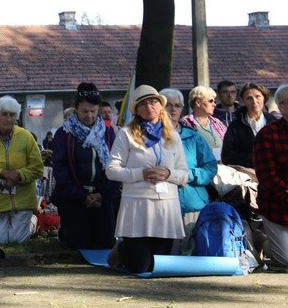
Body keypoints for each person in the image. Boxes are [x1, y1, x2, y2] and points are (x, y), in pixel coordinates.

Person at [105, 85, 188, 273]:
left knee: (158, 266)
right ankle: (123, 248)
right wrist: (139, 173)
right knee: (139, 267)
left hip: (166, 205)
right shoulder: (126, 134)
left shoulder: (173, 136)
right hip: (137, 205)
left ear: (160, 106)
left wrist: (168, 174)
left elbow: (184, 173)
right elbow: (111, 170)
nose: (149, 107)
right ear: (137, 111)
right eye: (143, 104)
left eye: (153, 102)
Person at [50, 83, 120, 250]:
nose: (89, 116)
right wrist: (82, 196)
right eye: (85, 111)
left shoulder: (108, 133)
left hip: (102, 196)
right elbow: (60, 168)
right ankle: (66, 231)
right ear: (75, 108)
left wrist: (102, 194)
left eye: (93, 111)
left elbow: (115, 164)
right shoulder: (64, 134)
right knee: (79, 245)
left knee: (105, 243)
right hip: (74, 196)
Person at [0, 96, 44, 244]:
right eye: (4, 114)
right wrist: (2, 173)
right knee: (0, 241)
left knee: (17, 241)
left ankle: (32, 223)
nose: (9, 118)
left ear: (17, 117)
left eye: (12, 115)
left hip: (23, 200)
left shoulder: (26, 137)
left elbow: (37, 168)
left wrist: (18, 175)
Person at [160, 89, 217, 253]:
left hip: (192, 203)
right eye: (168, 105)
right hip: (162, 204)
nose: (173, 109)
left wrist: (187, 175)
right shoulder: (150, 137)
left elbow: (210, 167)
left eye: (178, 106)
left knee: (190, 252)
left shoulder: (194, 137)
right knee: (166, 254)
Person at [253, 84, 288, 267]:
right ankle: (260, 240)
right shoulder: (268, 134)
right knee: (286, 260)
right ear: (281, 107)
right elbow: (267, 177)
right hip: (277, 205)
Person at [222, 83, 277, 169]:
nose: (254, 101)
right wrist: (254, 158)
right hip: (247, 175)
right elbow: (227, 156)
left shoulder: (274, 122)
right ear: (243, 101)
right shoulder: (236, 126)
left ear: (264, 98)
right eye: (249, 98)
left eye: (258, 96)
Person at [178, 85, 227, 161]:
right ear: (198, 102)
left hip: (223, 167)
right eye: (210, 101)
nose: (214, 104)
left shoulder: (217, 122)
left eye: (214, 101)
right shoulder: (186, 123)